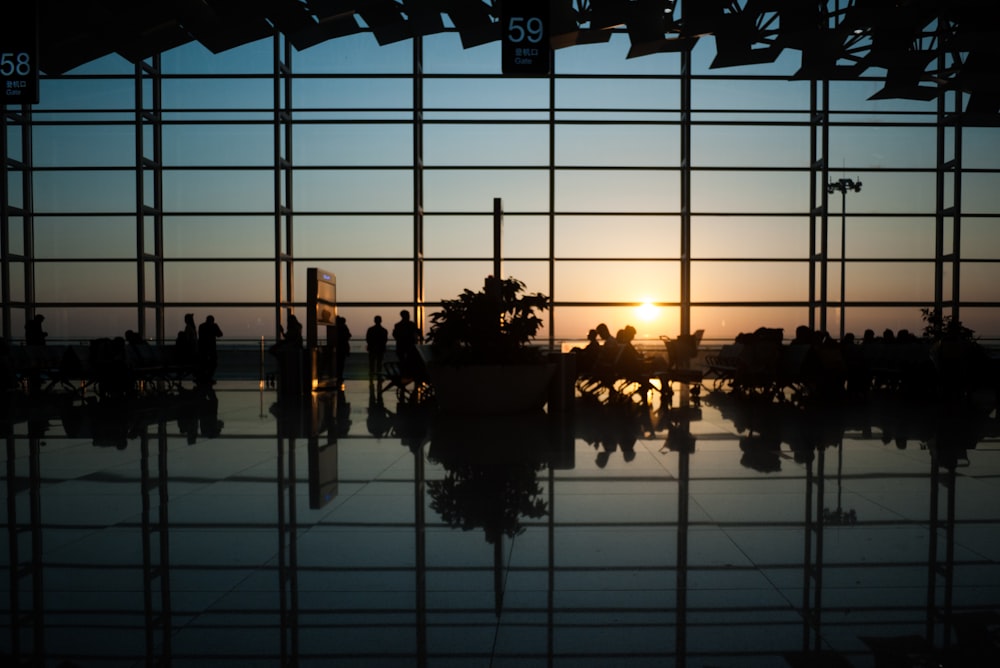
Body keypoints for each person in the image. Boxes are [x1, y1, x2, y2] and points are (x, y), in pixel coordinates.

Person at [392, 309, 421, 374]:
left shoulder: (398, 325)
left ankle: (403, 372)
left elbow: (395, 335)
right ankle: (408, 373)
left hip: (401, 345)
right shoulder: (412, 325)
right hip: (410, 346)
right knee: (410, 360)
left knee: (402, 360)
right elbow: (418, 332)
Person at [197, 315, 223, 385]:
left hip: (203, 348)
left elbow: (200, 337)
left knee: (203, 364)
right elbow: (220, 334)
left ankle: (203, 377)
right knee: (213, 363)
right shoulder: (214, 326)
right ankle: (209, 377)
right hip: (211, 348)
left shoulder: (201, 326)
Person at [365, 315, 389, 380]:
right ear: (381, 321)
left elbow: (368, 339)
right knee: (379, 363)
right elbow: (385, 340)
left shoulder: (370, 329)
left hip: (372, 348)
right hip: (380, 349)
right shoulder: (384, 330)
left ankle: (371, 376)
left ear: (374, 321)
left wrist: (371, 345)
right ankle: (379, 376)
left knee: (372, 363)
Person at [335, 315, 352, 384]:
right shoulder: (344, 327)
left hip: (340, 347)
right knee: (341, 363)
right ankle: (339, 376)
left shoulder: (338, 328)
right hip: (343, 347)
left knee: (339, 363)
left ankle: (338, 376)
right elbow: (349, 335)